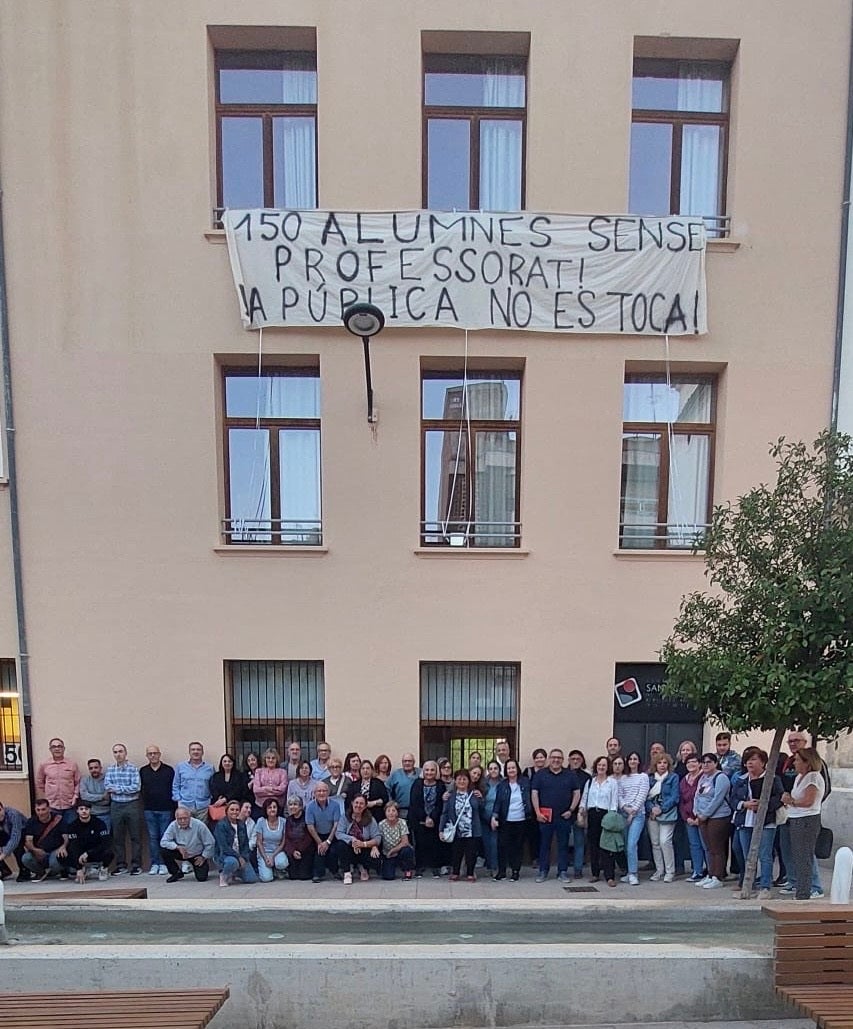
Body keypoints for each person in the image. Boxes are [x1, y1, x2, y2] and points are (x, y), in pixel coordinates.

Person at [778, 730, 830, 897]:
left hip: (807, 819)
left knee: (805, 856)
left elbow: (808, 800)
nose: (795, 764)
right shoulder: (799, 777)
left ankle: (809, 889)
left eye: (798, 761)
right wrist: (787, 797)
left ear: (807, 762)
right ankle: (798, 886)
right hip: (794, 817)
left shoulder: (813, 777)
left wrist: (791, 801)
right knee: (796, 854)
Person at [731, 748, 783, 900]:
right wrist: (744, 804)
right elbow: (733, 799)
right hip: (745, 821)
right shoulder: (741, 780)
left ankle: (765, 887)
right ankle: (748, 885)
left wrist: (764, 804)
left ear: (763, 762)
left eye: (753, 759)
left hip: (766, 821)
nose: (749, 763)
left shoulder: (772, 779)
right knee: (747, 854)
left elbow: (779, 797)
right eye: (747, 760)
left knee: (765, 854)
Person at [532, 748, 583, 883]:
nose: (556, 760)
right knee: (544, 845)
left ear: (562, 760)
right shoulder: (540, 774)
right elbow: (534, 794)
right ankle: (543, 871)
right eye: (553, 757)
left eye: (559, 758)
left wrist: (571, 810)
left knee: (563, 845)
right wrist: (537, 813)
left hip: (563, 816)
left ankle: (563, 872)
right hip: (545, 816)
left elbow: (577, 793)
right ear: (549, 759)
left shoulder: (570, 775)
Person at [693, 752, 732, 889]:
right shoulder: (703, 777)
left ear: (715, 763)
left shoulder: (721, 777)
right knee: (708, 847)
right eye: (703, 762)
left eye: (709, 762)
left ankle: (718, 876)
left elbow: (718, 799)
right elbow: (697, 796)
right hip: (703, 816)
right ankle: (710, 874)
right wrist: (696, 812)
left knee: (717, 848)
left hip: (718, 817)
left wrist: (706, 814)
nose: (705, 764)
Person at [578, 756, 619, 886]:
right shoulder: (590, 782)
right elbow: (584, 798)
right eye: (599, 765)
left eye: (604, 765)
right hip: (592, 814)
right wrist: (581, 810)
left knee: (607, 846)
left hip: (606, 815)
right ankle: (595, 873)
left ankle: (609, 876)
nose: (601, 767)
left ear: (608, 767)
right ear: (596, 766)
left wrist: (612, 816)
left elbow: (614, 801)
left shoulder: (612, 783)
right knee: (593, 845)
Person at [104, 743, 142, 875]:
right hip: (116, 805)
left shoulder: (133, 769)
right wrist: (123, 790)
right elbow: (108, 787)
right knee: (118, 837)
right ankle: (121, 865)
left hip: (132, 805)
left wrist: (118, 789)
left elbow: (136, 788)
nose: (118, 754)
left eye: (120, 751)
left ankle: (136, 865)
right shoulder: (110, 769)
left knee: (135, 836)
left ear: (126, 753)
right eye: (115, 752)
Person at [491, 758, 532, 881]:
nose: (511, 770)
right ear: (506, 770)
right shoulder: (502, 785)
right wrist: (494, 816)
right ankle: (502, 872)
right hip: (505, 820)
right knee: (502, 846)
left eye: (513, 767)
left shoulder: (525, 782)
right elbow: (497, 802)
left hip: (521, 819)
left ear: (517, 769)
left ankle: (515, 871)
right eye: (509, 768)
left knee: (517, 847)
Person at [440, 768, 483, 881]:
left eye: (464, 779)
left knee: (471, 853)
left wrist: (481, 799)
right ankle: (455, 872)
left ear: (469, 781)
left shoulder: (474, 794)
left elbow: (481, 809)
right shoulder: (450, 796)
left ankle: (470, 873)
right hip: (456, 829)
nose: (462, 781)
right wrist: (441, 829)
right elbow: (444, 813)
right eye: (459, 779)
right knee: (456, 852)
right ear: (455, 781)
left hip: (472, 829)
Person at [58, 798, 114, 884]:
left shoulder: (99, 823)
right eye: (81, 809)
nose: (84, 811)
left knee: (109, 851)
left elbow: (105, 843)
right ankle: (82, 869)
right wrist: (78, 868)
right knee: (61, 856)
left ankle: (103, 868)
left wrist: (88, 853)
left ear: (90, 810)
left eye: (86, 809)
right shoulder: (72, 826)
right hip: (80, 854)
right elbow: (74, 846)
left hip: (94, 852)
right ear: (77, 811)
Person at [139, 745, 174, 875]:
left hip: (166, 809)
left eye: (155, 753)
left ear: (159, 754)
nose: (153, 756)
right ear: (147, 756)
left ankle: (164, 863)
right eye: (150, 754)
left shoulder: (169, 770)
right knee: (153, 838)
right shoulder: (143, 771)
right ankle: (155, 863)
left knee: (165, 837)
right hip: (149, 809)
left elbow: (173, 788)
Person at [645, 752, 680, 882]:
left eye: (665, 763)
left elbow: (675, 797)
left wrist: (662, 808)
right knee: (655, 843)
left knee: (665, 841)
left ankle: (670, 871)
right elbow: (646, 797)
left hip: (667, 813)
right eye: (659, 763)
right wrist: (651, 808)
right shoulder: (649, 779)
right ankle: (659, 870)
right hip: (652, 814)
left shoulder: (673, 777)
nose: (662, 765)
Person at [159, 806, 215, 883]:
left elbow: (210, 842)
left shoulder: (199, 825)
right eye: (180, 819)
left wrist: (203, 857)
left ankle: (202, 866)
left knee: (201, 878)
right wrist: (177, 847)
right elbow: (163, 842)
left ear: (190, 817)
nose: (183, 821)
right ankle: (176, 873)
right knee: (164, 850)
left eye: (185, 818)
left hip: (196, 855)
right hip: (181, 852)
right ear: (176, 818)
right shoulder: (173, 825)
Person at [618, 751, 649, 886]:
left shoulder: (643, 777)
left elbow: (643, 794)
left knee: (632, 844)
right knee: (625, 845)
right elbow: (619, 795)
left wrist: (633, 811)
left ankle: (633, 873)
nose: (632, 761)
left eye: (635, 759)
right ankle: (629, 872)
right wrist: (625, 808)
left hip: (637, 815)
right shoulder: (623, 778)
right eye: (630, 759)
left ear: (639, 761)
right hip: (624, 813)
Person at [409, 759, 444, 878]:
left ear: (436, 771)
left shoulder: (440, 785)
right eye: (427, 770)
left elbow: (440, 804)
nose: (429, 772)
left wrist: (432, 818)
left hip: (435, 821)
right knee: (420, 844)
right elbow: (415, 803)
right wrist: (425, 817)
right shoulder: (417, 784)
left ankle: (435, 867)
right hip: (419, 819)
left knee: (435, 844)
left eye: (432, 770)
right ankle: (419, 867)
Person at [338, 794, 382, 883]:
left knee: (376, 858)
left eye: (361, 803)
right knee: (340, 845)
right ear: (352, 803)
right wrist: (352, 840)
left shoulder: (370, 819)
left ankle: (363, 867)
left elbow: (377, 837)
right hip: (350, 847)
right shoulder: (345, 817)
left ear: (365, 806)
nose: (358, 805)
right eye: (356, 803)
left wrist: (365, 844)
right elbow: (339, 833)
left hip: (364, 848)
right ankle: (347, 872)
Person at [214, 799, 258, 886]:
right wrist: (239, 857)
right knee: (232, 862)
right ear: (227, 811)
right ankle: (224, 875)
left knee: (251, 879)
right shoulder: (221, 825)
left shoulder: (242, 824)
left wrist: (245, 857)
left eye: (237, 810)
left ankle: (234, 871)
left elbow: (245, 844)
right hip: (225, 855)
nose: (235, 812)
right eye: (232, 810)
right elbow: (224, 847)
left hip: (240, 855)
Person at [35, 738, 79, 824]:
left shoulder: (72, 764)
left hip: (69, 805)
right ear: (50, 749)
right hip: (52, 805)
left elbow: (77, 782)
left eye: (59, 746)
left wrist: (75, 796)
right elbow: (40, 781)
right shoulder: (44, 764)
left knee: (70, 830)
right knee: (54, 831)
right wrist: (48, 792)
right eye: (54, 747)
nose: (57, 749)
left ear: (63, 749)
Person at [305, 780, 342, 882]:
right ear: (314, 793)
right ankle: (318, 874)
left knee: (333, 850)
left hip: (332, 835)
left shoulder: (335, 805)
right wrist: (320, 843)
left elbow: (336, 824)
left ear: (328, 792)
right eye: (319, 791)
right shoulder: (309, 806)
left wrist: (328, 841)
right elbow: (310, 826)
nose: (321, 793)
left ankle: (335, 871)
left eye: (324, 791)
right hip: (316, 835)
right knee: (319, 850)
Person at [21, 798, 66, 881]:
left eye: (43, 809)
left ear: (49, 808)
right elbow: (28, 840)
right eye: (38, 810)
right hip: (39, 851)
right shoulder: (31, 821)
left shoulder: (58, 819)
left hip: (55, 851)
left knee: (55, 863)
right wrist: (35, 850)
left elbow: (66, 838)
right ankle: (41, 873)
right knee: (26, 858)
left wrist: (63, 847)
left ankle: (55, 872)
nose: (41, 812)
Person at [679, 753, 706, 881]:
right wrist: (686, 818)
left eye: (694, 761)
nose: (691, 764)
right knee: (694, 845)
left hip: (702, 817)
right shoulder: (684, 780)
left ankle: (711, 872)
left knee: (706, 845)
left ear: (700, 763)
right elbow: (682, 801)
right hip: (689, 819)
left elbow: (705, 798)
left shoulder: (704, 778)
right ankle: (697, 871)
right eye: (689, 762)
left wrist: (699, 818)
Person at [172, 742, 214, 822]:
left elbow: (212, 785)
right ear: (189, 752)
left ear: (202, 752)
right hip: (185, 805)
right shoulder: (181, 767)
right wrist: (178, 799)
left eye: (198, 749)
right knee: (185, 830)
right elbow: (176, 784)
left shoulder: (210, 768)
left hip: (203, 806)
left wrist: (209, 800)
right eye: (193, 749)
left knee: (201, 831)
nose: (196, 752)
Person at [253, 798, 289, 882]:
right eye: (269, 807)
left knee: (282, 863)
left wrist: (272, 856)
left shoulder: (283, 821)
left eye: (274, 807)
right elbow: (259, 842)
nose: (272, 809)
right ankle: (270, 869)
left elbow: (283, 842)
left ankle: (278, 869)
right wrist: (266, 858)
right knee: (267, 878)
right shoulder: (261, 821)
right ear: (265, 809)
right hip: (264, 853)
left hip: (277, 851)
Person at [378, 801, 415, 881]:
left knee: (407, 850)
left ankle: (407, 870)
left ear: (397, 813)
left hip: (399, 851)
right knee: (388, 876)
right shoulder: (381, 824)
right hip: (388, 854)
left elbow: (405, 842)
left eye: (393, 811)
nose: (391, 813)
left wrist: (393, 850)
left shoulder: (402, 822)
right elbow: (378, 840)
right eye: (388, 811)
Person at [568, 750, 591, 879]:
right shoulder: (564, 774)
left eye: (578, 759)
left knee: (579, 841)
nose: (575, 761)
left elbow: (588, 795)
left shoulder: (587, 777)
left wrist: (584, 810)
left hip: (580, 813)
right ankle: (563, 869)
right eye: (573, 758)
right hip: (565, 813)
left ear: (582, 760)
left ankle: (578, 869)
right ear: (569, 760)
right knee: (564, 842)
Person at [345, 758, 388, 823]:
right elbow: (348, 802)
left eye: (368, 768)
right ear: (360, 770)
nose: (365, 770)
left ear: (372, 770)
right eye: (363, 768)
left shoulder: (379, 783)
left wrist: (373, 803)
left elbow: (385, 799)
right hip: (357, 818)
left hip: (375, 816)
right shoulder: (353, 785)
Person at [283, 795, 315, 880]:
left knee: (304, 876)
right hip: (293, 851)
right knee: (293, 877)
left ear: (300, 806)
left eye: (295, 804)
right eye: (290, 804)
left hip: (306, 850)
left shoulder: (306, 817)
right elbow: (287, 838)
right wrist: (293, 851)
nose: (292, 807)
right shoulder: (288, 820)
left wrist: (299, 850)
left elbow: (309, 837)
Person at [208, 753, 249, 818]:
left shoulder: (239, 775)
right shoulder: (216, 776)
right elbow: (213, 788)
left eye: (229, 761)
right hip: (219, 806)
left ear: (233, 763)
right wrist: (219, 797)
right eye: (225, 761)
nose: (227, 763)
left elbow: (239, 790)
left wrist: (225, 799)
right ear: (221, 763)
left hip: (235, 806)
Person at [480, 760, 503, 875]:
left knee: (494, 843)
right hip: (484, 817)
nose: (493, 771)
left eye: (496, 768)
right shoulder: (484, 783)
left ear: (499, 770)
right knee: (486, 843)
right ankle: (489, 865)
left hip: (497, 818)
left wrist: (496, 816)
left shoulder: (503, 783)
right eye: (491, 768)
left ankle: (495, 867)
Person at [78, 758, 111, 832]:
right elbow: (84, 796)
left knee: (105, 839)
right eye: (91, 768)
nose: (94, 770)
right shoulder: (84, 780)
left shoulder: (108, 779)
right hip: (90, 816)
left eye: (96, 767)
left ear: (100, 768)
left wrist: (91, 798)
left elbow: (107, 800)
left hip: (105, 815)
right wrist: (102, 797)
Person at [0, 800, 27, 881]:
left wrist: (3, 854)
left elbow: (15, 837)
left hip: (23, 831)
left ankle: (24, 871)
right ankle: (4, 870)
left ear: (2, 808)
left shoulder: (13, 814)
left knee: (17, 846)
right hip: (6, 832)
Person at [387, 753, 420, 819]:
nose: (407, 763)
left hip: (418, 811)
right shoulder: (396, 774)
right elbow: (386, 789)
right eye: (405, 761)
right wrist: (391, 804)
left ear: (414, 762)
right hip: (401, 811)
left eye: (409, 761)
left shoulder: (420, 773)